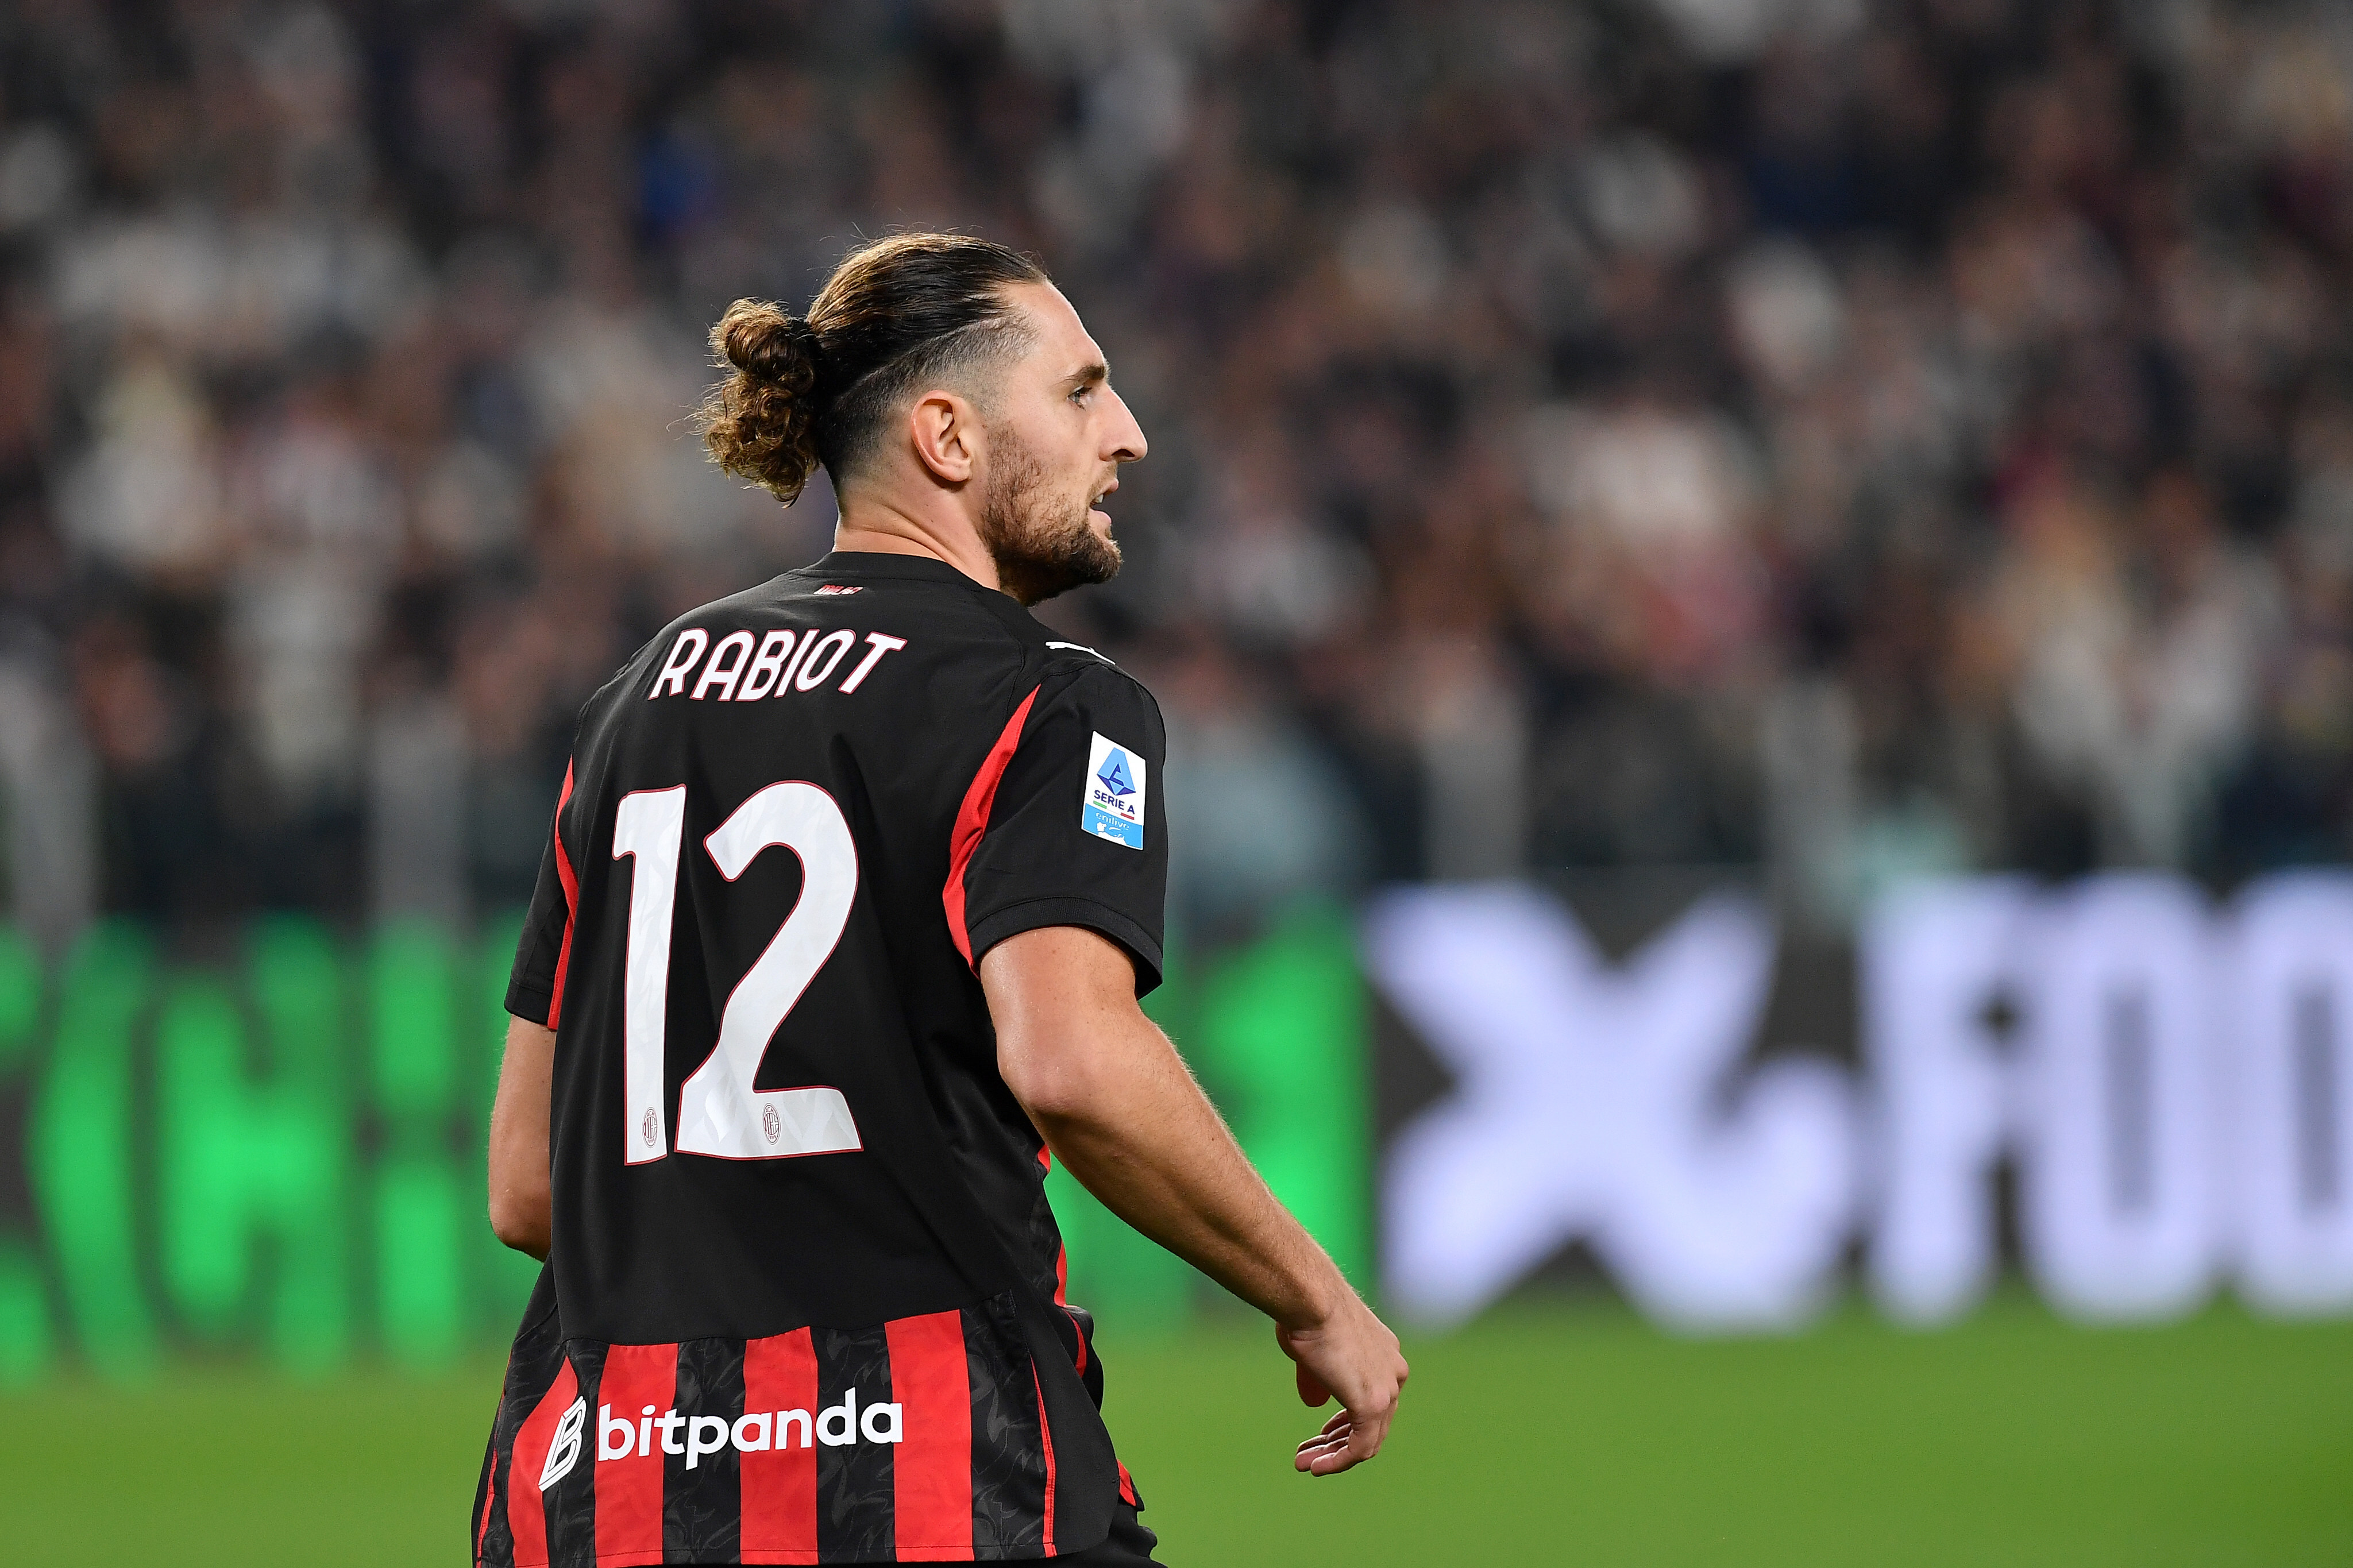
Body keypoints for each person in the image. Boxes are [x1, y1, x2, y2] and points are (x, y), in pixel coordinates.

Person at [475, 233, 1407, 1567]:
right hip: (929, 1478)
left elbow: (527, 1184)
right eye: (1079, 391)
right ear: (948, 437)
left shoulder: (637, 702)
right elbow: (1074, 1062)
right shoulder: (1049, 700)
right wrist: (1313, 1295)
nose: (1127, 434)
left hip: (603, 1492)